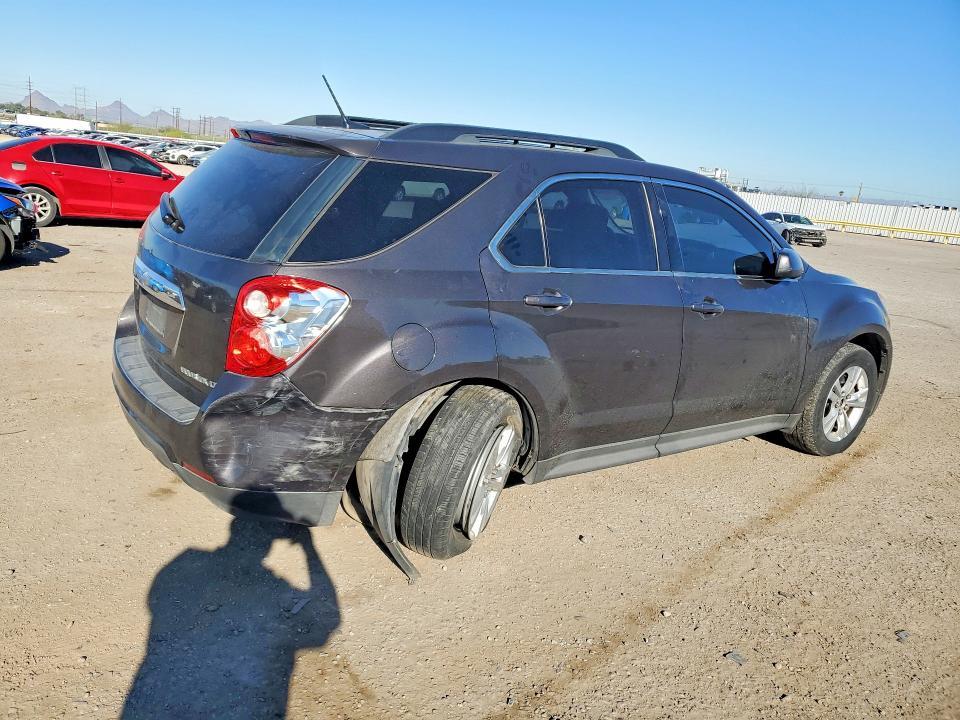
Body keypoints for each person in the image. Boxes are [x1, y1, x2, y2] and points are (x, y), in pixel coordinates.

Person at [122, 514, 339, 719]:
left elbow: (156, 602)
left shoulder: (187, 560)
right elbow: (327, 624)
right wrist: (308, 547)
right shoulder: (264, 582)